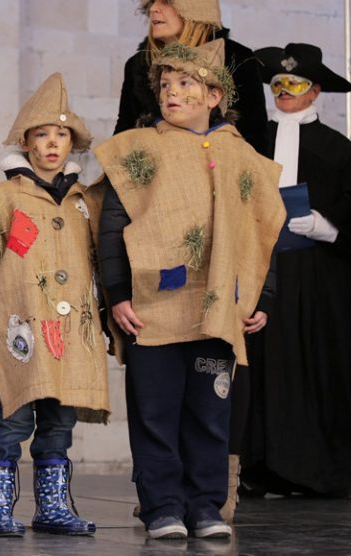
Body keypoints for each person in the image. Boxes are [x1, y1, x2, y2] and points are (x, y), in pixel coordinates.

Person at [96, 40, 284, 540]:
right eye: (164, 85)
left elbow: (263, 228)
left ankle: (204, 506)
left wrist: (260, 297)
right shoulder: (139, 149)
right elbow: (113, 224)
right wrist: (117, 292)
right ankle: (161, 506)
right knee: (155, 409)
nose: (171, 93)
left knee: (208, 408)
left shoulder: (240, 154)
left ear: (215, 95)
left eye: (185, 84)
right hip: (153, 308)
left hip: (218, 307)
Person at [0, 73, 110, 538]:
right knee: (12, 422)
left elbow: (100, 267)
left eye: (61, 135)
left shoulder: (86, 203)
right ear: (25, 141)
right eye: (41, 135)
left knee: (60, 425)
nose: (51, 144)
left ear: (72, 142)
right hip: (18, 336)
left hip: (71, 340)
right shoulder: (1, 200)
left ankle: (53, 508)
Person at [240, 43, 351, 498]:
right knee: (259, 364)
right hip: (259, 271)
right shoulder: (251, 142)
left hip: (318, 277)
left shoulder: (339, 149)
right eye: (278, 85)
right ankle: (257, 466)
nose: (285, 92)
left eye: (296, 84)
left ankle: (314, 469)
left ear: (316, 91)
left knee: (314, 362)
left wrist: (329, 228)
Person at [115, 0, 268, 155]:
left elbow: (255, 143)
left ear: (196, 7)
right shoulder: (137, 65)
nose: (153, 9)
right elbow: (122, 137)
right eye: (152, 2)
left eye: (166, 2)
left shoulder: (237, 60)